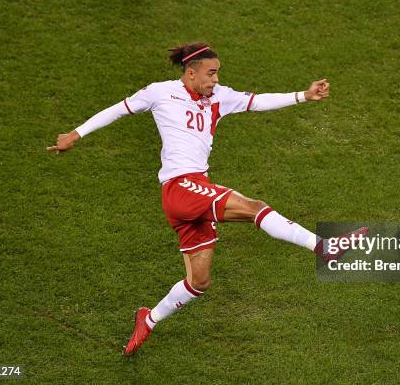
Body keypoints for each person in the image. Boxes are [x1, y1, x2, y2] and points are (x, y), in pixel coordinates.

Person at [47, 42, 367, 355]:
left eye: (217, 74)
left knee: (199, 281)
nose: (216, 80)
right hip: (180, 188)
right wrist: (75, 135)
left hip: (194, 190)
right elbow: (119, 110)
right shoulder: (160, 93)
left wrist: (304, 96)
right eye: (211, 74)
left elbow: (258, 101)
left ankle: (149, 318)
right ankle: (323, 247)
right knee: (253, 207)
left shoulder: (220, 97)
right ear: (190, 73)